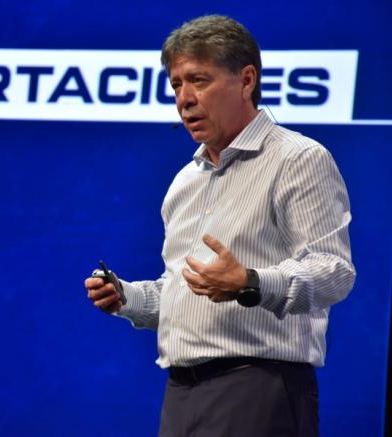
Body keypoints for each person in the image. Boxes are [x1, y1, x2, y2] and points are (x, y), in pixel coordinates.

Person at [84, 15, 355, 437]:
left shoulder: (298, 159)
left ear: (246, 80)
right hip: (180, 394)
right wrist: (127, 297)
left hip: (258, 389)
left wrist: (250, 282)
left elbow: (333, 272)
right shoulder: (184, 182)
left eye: (199, 80)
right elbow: (184, 290)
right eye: (176, 84)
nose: (185, 99)